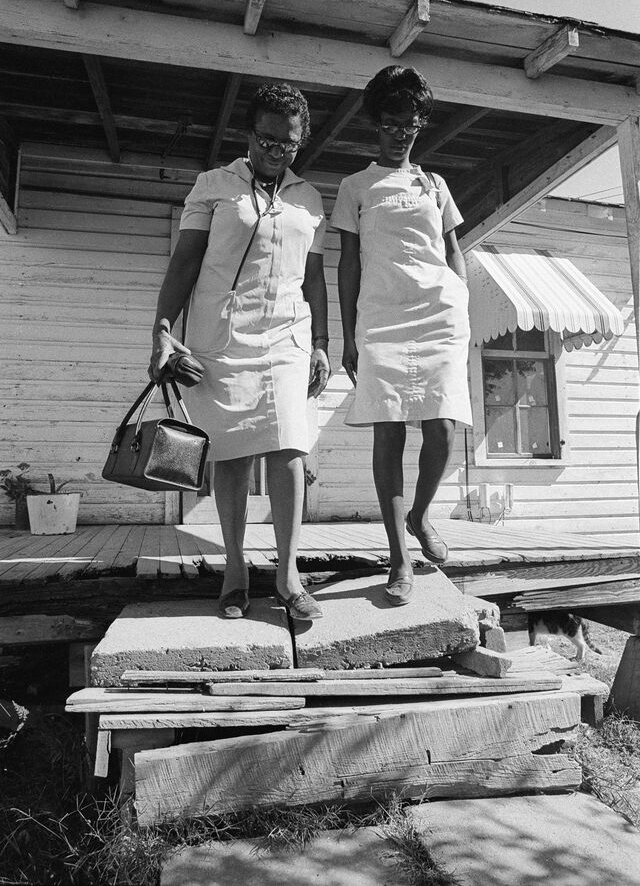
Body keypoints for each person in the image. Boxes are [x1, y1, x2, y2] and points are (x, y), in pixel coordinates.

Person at [149, 82, 330, 621]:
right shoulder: (213, 186)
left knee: (290, 447)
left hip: (287, 337)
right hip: (222, 337)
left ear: (301, 142)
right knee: (231, 454)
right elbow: (184, 263)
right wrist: (162, 329)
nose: (278, 150)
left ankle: (288, 573)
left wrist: (321, 341)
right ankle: (234, 569)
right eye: (269, 139)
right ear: (250, 134)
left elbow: (314, 277)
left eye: (289, 143)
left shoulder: (310, 198)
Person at [332, 65, 472, 607]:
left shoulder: (435, 185)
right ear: (376, 123)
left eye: (411, 123)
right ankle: (398, 555)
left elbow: (453, 249)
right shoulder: (356, 186)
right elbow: (348, 263)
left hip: (438, 315)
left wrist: (460, 303)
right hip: (382, 320)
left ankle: (419, 514)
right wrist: (348, 335)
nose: (401, 132)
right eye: (392, 123)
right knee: (388, 433)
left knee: (441, 428)